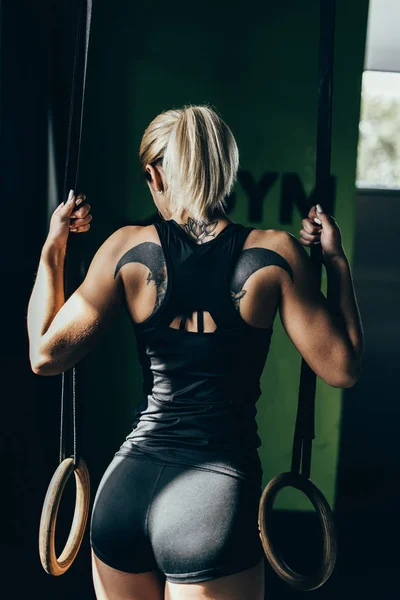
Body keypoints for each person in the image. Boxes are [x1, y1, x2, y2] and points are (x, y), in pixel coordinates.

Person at [27, 104, 364, 600]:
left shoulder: (126, 248)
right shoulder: (275, 254)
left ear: (155, 174)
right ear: (225, 167)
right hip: (212, 502)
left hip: (125, 491)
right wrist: (334, 260)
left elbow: (44, 355)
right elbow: (343, 368)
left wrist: (53, 249)